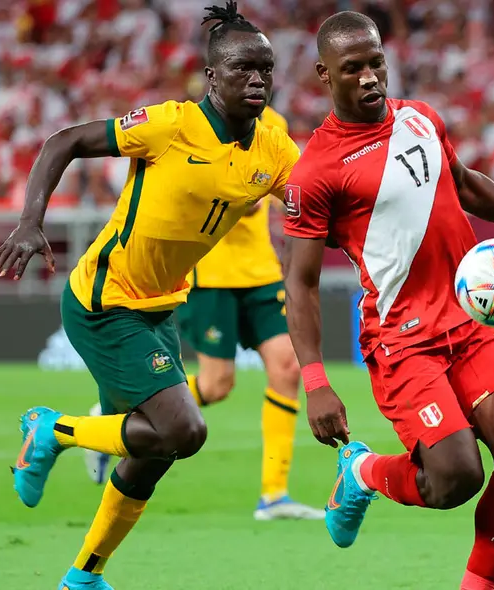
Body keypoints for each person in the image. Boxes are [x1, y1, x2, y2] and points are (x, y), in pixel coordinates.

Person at [0, 4, 300, 589]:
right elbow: (65, 141)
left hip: (160, 308)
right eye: (242, 69)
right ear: (212, 78)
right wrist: (31, 221)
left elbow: (318, 207)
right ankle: (52, 431)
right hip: (105, 302)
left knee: (152, 454)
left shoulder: (274, 150)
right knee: (184, 432)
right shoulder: (170, 124)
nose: (257, 79)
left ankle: (83, 577)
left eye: (266, 68)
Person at [282, 11, 494, 590]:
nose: (371, 77)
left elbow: (464, 181)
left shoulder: (421, 117)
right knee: (453, 479)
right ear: (326, 74)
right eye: (354, 68)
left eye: (377, 62)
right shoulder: (315, 172)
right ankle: (364, 473)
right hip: (402, 337)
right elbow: (298, 283)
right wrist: (317, 380)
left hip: (473, 320)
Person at [83, 103, 324, 521]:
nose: (253, 81)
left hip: (261, 272)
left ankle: (274, 494)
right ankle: (111, 422)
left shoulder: (275, 127)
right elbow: (241, 197)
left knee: (287, 367)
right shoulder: (194, 126)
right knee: (216, 385)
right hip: (210, 273)